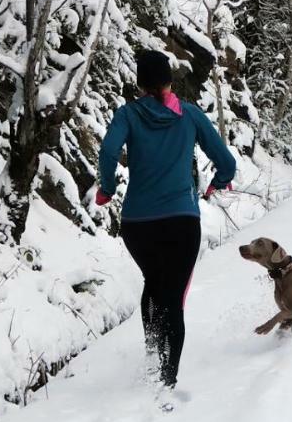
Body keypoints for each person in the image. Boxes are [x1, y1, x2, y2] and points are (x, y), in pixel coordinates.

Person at [96, 49, 236, 390]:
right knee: (172, 294)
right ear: (170, 80)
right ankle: (167, 377)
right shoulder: (189, 115)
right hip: (181, 220)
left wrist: (107, 188)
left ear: (140, 83)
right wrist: (216, 185)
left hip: (137, 223)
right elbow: (226, 162)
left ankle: (152, 351)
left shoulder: (127, 114)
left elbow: (108, 152)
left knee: (154, 281)